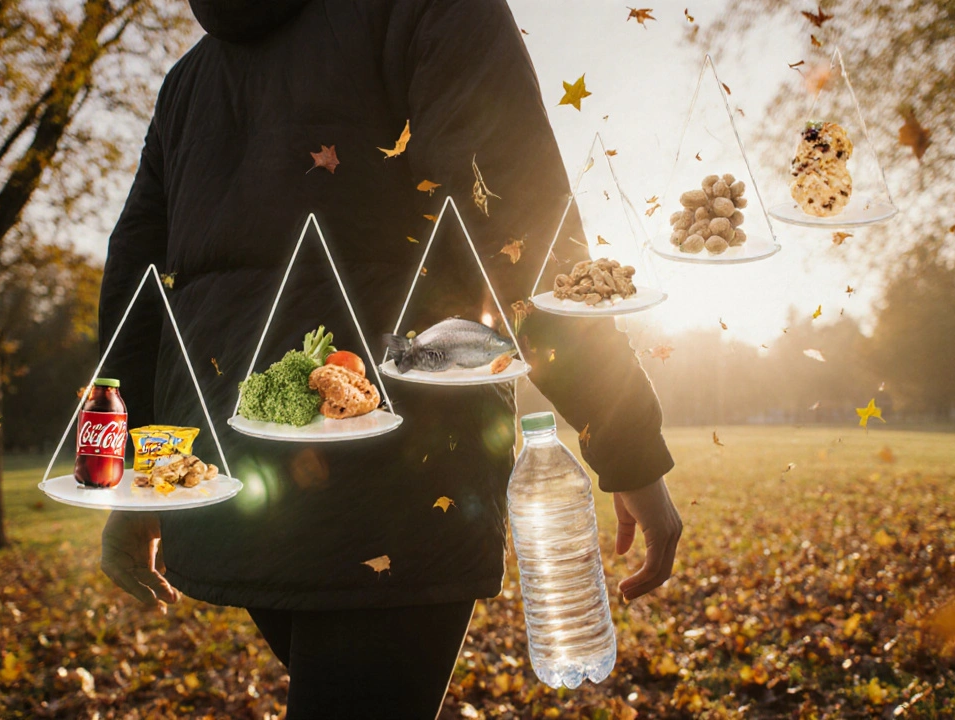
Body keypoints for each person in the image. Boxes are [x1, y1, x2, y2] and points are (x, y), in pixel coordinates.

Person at [97, 0, 683, 717]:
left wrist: (132, 472)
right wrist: (625, 440)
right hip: (400, 478)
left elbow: (135, 281)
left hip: (237, 482)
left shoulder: (191, 77)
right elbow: (515, 230)